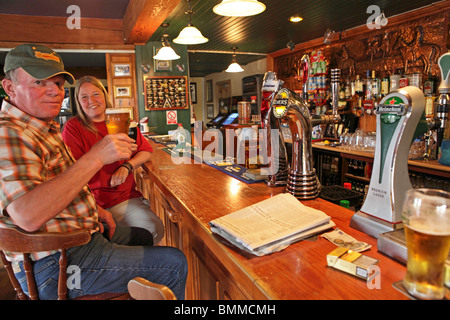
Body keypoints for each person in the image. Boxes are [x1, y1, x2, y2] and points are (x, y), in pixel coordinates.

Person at [0, 43, 187, 300]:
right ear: (9, 87)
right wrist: (97, 156)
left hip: (82, 236)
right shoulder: (9, 132)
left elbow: (143, 150)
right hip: (56, 264)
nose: (54, 91)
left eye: (58, 84)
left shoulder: (42, 128)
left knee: (145, 233)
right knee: (173, 262)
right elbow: (27, 215)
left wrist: (95, 211)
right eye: (40, 83)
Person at [62, 75, 164, 245]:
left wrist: (127, 166)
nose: (91, 101)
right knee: (93, 242)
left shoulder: (123, 120)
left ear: (104, 96)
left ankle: (119, 254)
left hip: (123, 198)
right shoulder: (73, 127)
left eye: (96, 94)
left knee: (154, 229)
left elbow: (146, 150)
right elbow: (73, 171)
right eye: (84, 97)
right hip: (91, 202)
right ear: (78, 101)